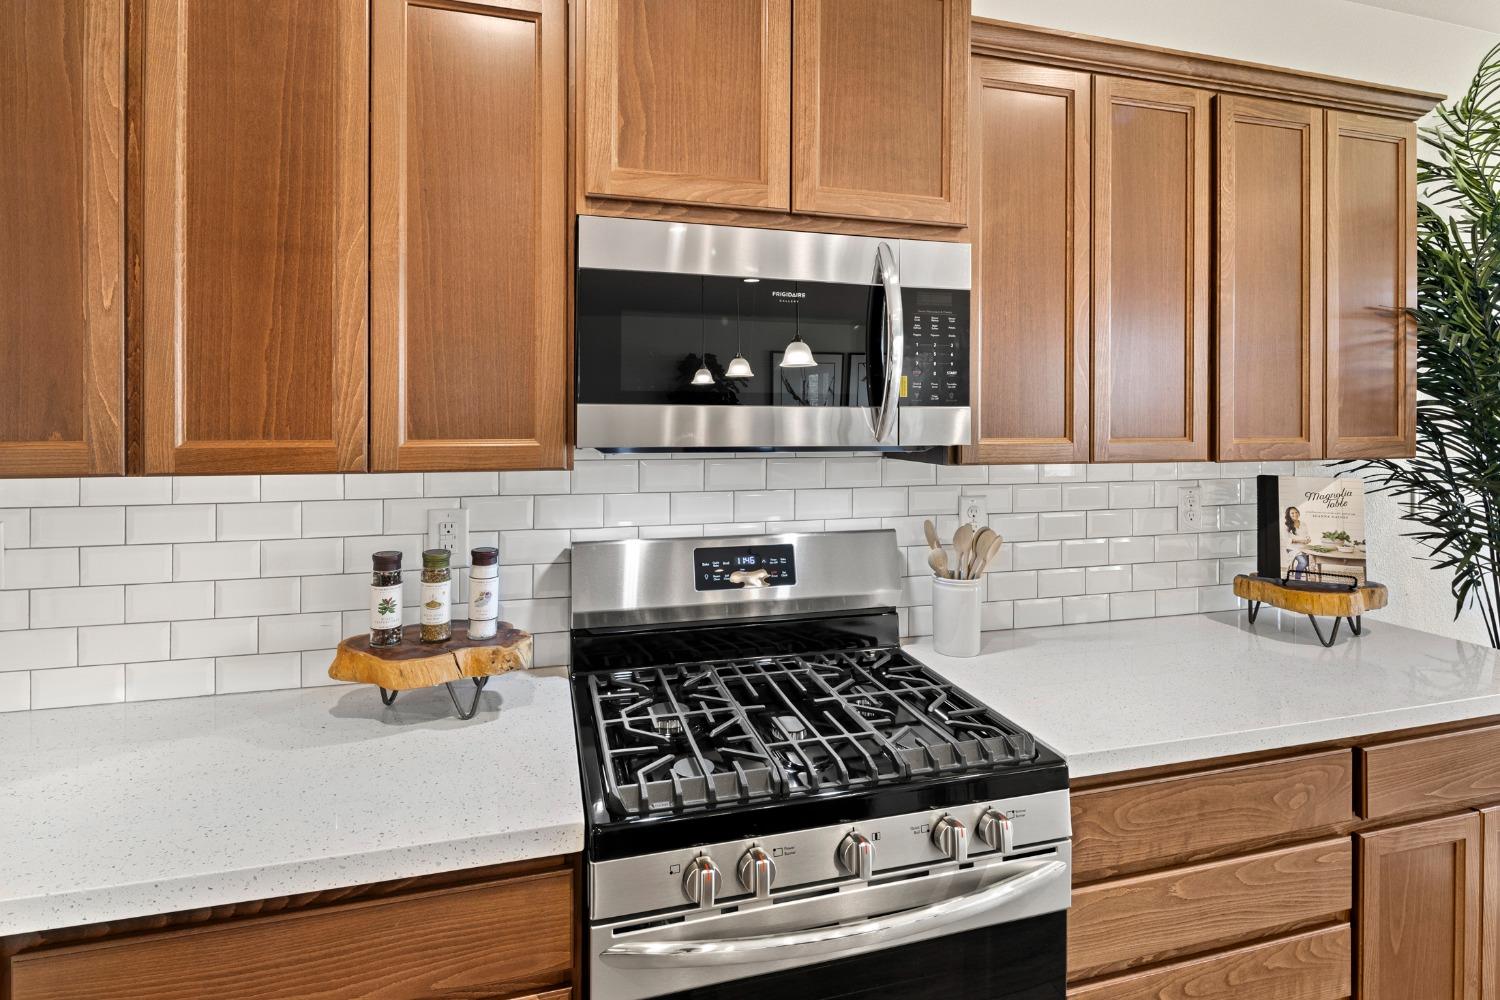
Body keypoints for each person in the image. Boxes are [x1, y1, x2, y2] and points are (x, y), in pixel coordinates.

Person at [1284, 506, 1311, 580]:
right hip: (1292, 548)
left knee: (1310, 562)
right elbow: (1286, 539)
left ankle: (1300, 571)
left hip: (1303, 547)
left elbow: (1307, 535)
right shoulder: (1286, 525)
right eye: (1292, 513)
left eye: (1296, 512)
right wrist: (1300, 541)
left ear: (1298, 513)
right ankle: (1297, 580)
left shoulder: (1303, 524)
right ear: (1288, 515)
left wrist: (1308, 539)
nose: (1295, 514)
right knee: (1303, 563)